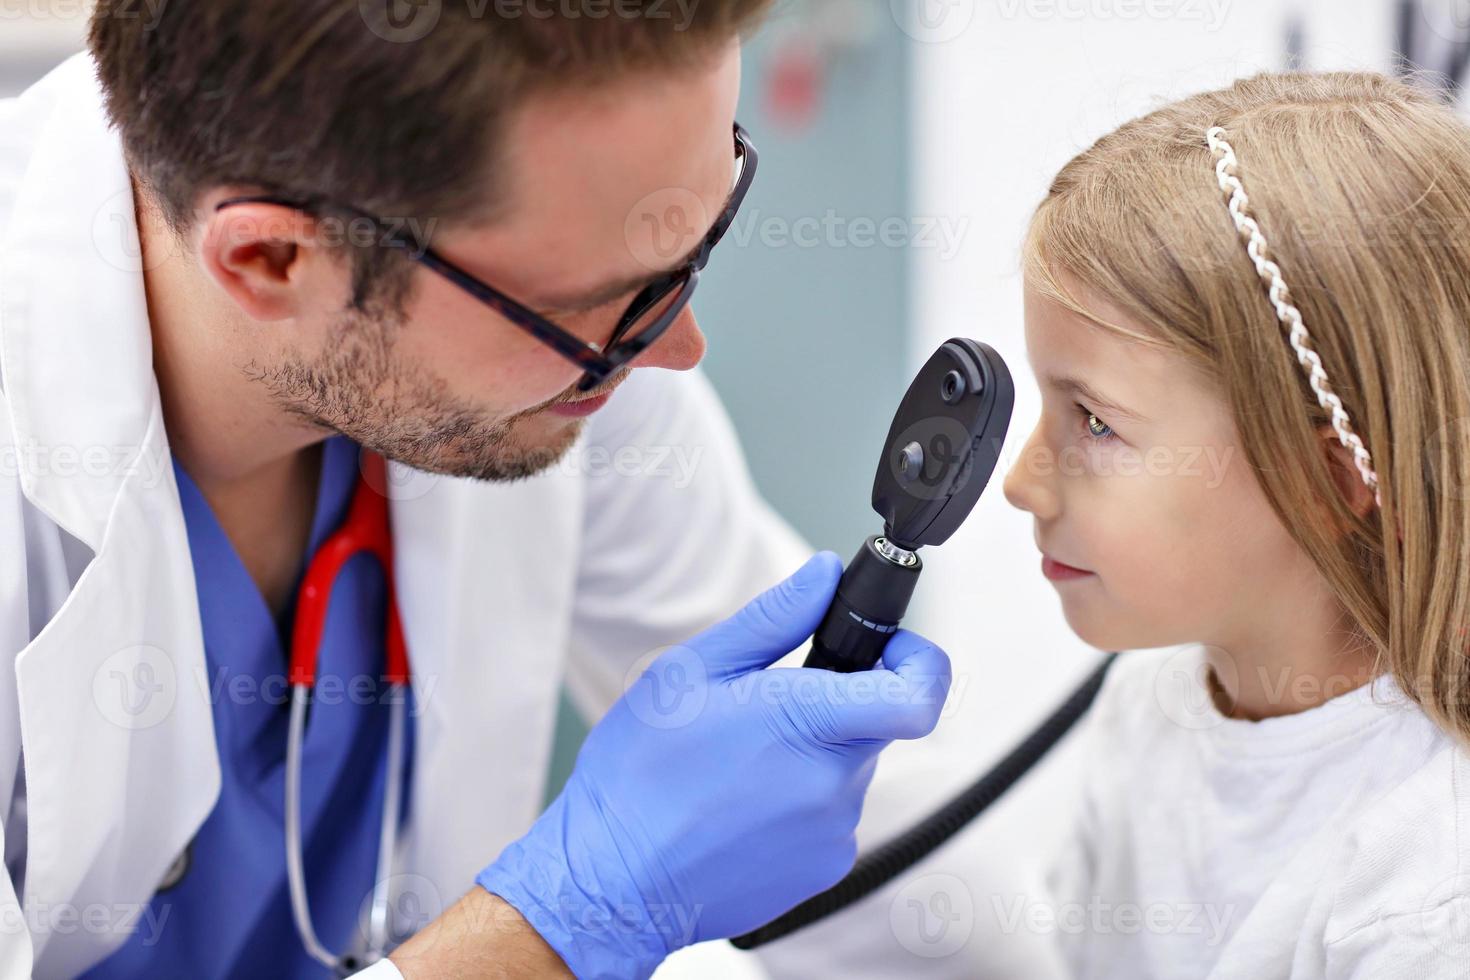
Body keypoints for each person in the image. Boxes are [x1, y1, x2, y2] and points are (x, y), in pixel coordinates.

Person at [0, 2, 954, 977]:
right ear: (271, 258)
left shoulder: (565, 368)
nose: (677, 347)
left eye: (695, 246)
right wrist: (572, 917)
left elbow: (876, 834)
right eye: (598, 303)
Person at [1000, 69, 1470, 976]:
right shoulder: (1152, 709)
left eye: (1095, 422)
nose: (1023, 482)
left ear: (1326, 481)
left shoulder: (1427, 897)